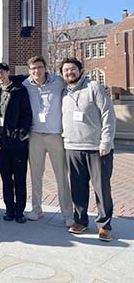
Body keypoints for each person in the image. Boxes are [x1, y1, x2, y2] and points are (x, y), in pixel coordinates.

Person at [60, 57, 115, 241]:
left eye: (72, 69)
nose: (69, 72)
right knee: (78, 188)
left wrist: (106, 142)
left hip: (97, 148)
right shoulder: (63, 92)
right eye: (66, 70)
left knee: (101, 188)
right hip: (72, 147)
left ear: (80, 70)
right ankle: (81, 221)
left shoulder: (95, 88)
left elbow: (108, 114)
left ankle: (104, 225)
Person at [22, 56, 74, 226]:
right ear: (29, 70)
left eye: (39, 67)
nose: (36, 71)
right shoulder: (26, 85)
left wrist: (103, 89)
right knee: (36, 175)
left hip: (55, 136)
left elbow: (77, 83)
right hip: (35, 135)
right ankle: (37, 208)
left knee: (61, 176)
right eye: (33, 68)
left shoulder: (58, 82)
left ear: (45, 67)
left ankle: (67, 213)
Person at [0, 62, 32, 223]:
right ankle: (9, 208)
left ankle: (19, 211)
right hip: (0, 142)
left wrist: (21, 134)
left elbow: (27, 115)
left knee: (20, 178)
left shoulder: (19, 90)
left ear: (8, 72)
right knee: (6, 178)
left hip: (17, 142)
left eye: (1, 73)